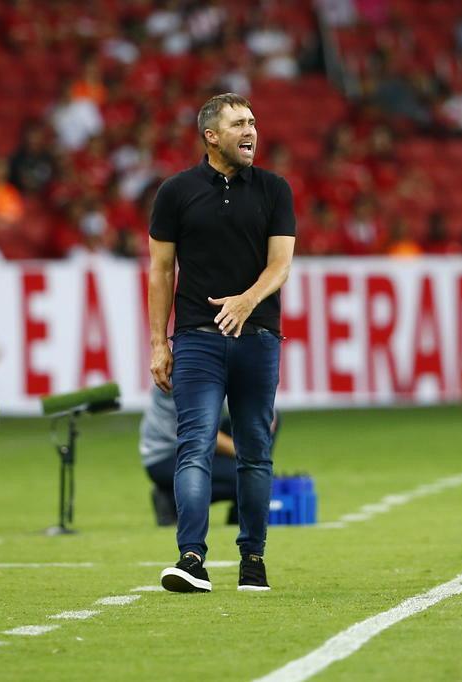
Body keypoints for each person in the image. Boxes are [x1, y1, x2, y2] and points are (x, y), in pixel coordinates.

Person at [147, 93, 296, 594]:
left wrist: (246, 301)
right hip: (196, 340)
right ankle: (191, 559)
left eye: (253, 121)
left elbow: (281, 265)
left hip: (258, 338)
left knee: (255, 451)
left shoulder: (275, 190)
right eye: (238, 124)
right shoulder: (175, 192)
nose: (250, 130)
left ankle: (253, 559)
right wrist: (157, 343)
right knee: (194, 448)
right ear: (211, 136)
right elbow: (161, 271)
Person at [140, 386, 281, 527]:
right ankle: (171, 500)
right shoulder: (187, 373)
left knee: (268, 416)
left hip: (199, 445)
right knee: (250, 476)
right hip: (168, 456)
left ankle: (242, 511)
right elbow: (201, 432)